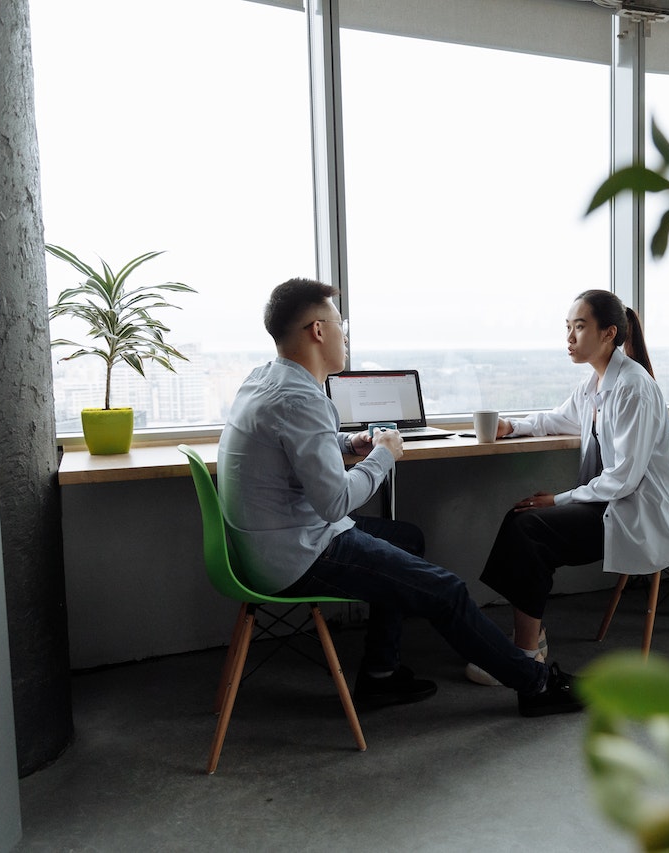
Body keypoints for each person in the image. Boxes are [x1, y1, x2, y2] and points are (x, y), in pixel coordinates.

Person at [216, 277, 581, 717]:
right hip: (300, 554)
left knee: (405, 536)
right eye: (339, 323)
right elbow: (334, 503)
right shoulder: (302, 399)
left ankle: (381, 675)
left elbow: (302, 446)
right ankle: (536, 685)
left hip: (262, 546)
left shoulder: (264, 380)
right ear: (317, 330)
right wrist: (383, 456)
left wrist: (352, 446)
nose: (344, 334)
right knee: (446, 591)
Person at [467, 289, 669, 685]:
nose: (569, 338)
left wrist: (557, 498)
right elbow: (558, 418)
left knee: (530, 528)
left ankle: (524, 655)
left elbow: (624, 478)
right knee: (523, 519)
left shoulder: (632, 388)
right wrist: (511, 427)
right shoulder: (597, 383)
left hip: (634, 514)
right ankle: (529, 640)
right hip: (610, 506)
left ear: (608, 334)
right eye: (567, 327)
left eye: (580, 327)